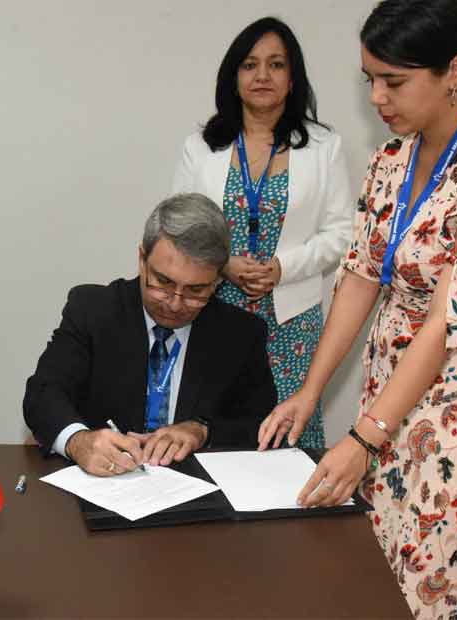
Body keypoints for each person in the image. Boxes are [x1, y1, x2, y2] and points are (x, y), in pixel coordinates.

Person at [257, 1, 457, 615]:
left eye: (394, 81)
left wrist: (365, 437)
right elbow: (362, 276)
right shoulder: (392, 157)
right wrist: (311, 390)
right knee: (381, 559)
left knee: (439, 569)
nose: (376, 98)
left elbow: (445, 319)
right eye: (370, 80)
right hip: (389, 390)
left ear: (455, 71)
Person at [171, 17, 352, 450]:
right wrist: (222, 265)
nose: (262, 76)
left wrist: (282, 268)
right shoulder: (202, 145)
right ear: (233, 78)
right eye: (250, 65)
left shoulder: (324, 146)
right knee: (212, 428)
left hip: (291, 318)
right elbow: (179, 224)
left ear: (292, 78)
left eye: (276, 64)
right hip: (215, 308)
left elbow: (342, 232)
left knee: (288, 434)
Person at [23, 193, 276, 476]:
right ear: (142, 260)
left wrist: (204, 431)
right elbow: (42, 395)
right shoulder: (94, 311)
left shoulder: (240, 334)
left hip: (194, 489)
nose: (175, 303)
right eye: (163, 282)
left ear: (217, 281)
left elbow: (261, 422)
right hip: (102, 484)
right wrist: (77, 441)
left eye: (195, 291)